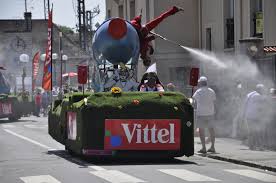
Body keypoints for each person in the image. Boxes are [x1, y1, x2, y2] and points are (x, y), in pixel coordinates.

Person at [192, 76, 216, 153]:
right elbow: (214, 101)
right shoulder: (211, 91)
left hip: (201, 113)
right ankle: (212, 147)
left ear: (201, 83)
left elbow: (194, 100)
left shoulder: (198, 92)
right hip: (210, 113)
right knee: (211, 130)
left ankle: (204, 148)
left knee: (201, 130)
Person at [242, 84, 266, 150]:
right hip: (255, 116)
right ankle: (259, 146)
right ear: (259, 89)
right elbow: (260, 108)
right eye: (262, 89)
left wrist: (243, 115)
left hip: (248, 115)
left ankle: (251, 146)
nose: (263, 91)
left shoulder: (249, 94)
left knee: (251, 131)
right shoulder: (258, 96)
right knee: (257, 131)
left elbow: (244, 105)